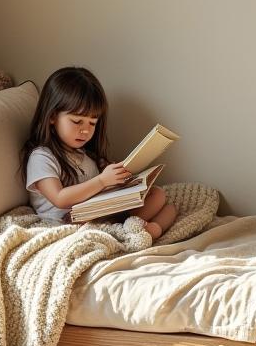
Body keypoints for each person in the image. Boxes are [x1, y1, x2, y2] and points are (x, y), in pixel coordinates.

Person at [20, 66, 178, 241]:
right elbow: (59, 198)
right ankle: (142, 230)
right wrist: (102, 181)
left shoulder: (86, 155)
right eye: (77, 121)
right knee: (159, 207)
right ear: (52, 117)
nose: (86, 131)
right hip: (69, 222)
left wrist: (118, 181)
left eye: (92, 123)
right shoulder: (41, 157)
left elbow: (97, 193)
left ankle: (149, 228)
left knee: (161, 198)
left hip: (99, 214)